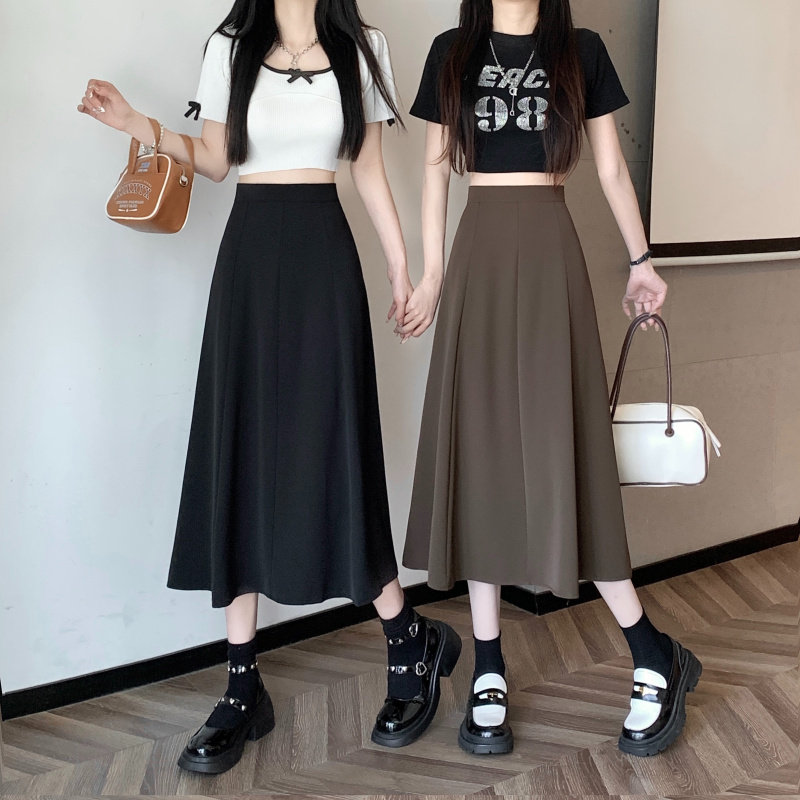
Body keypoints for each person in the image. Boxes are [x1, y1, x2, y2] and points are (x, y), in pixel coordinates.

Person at [77, 0, 461, 775]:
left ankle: (407, 642)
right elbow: (218, 160)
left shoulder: (362, 45)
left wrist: (405, 270)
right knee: (242, 451)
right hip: (249, 261)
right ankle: (242, 685)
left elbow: (367, 166)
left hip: (325, 258)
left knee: (336, 449)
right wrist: (135, 124)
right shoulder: (230, 46)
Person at [399, 0, 702, 758]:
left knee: (567, 451)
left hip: (549, 254)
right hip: (477, 255)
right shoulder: (452, 49)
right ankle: (489, 664)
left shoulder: (581, 48)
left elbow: (611, 167)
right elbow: (435, 171)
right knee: (481, 455)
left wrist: (641, 261)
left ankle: (651, 650)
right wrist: (432, 275)